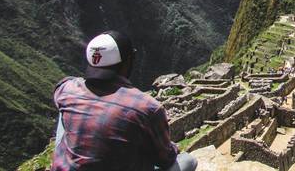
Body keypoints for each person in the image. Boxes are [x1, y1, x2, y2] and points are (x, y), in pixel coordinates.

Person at [51, 31, 197, 171]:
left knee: (64, 113)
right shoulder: (147, 107)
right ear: (129, 60)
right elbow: (166, 159)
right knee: (188, 161)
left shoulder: (66, 88)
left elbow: (64, 88)